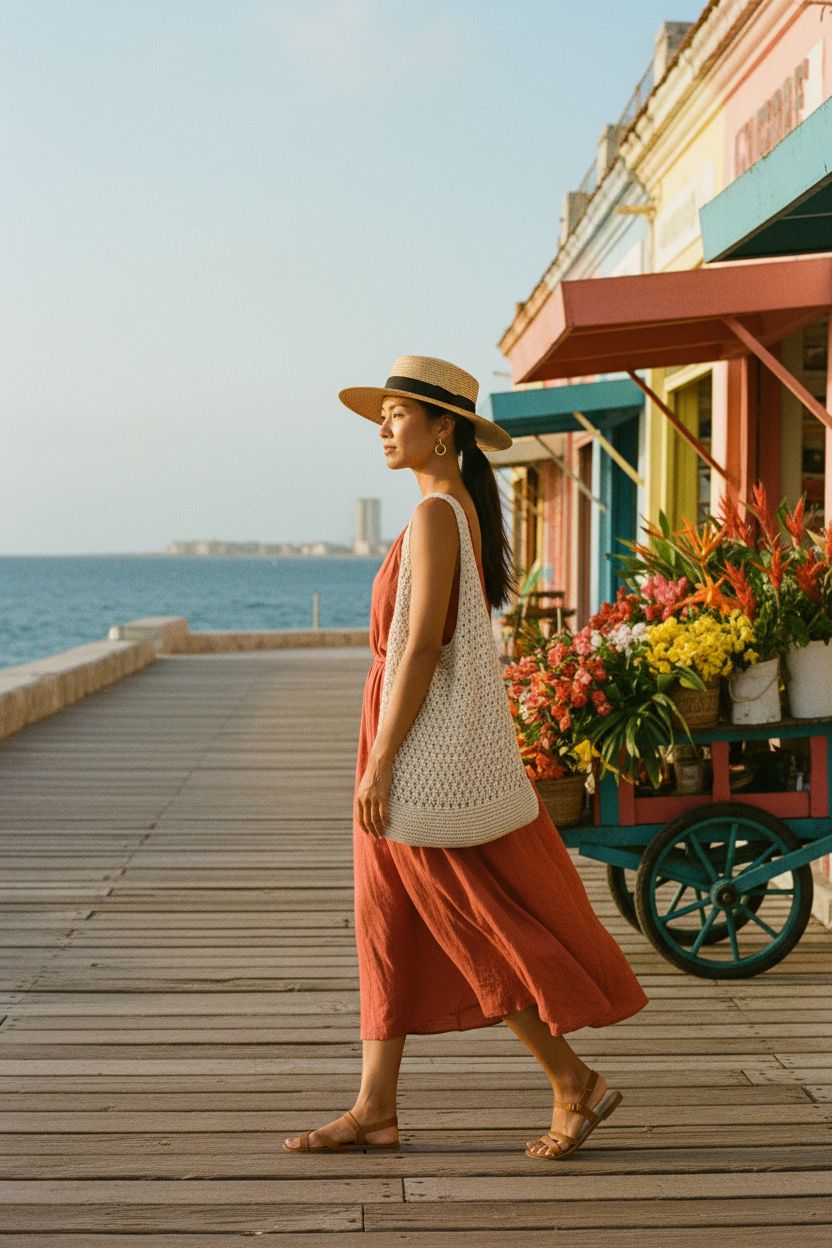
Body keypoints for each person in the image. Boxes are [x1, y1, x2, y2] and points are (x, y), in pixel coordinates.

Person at [283, 356, 649, 1161]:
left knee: (464, 918)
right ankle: (375, 1108)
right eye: (381, 416)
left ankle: (574, 1081)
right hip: (398, 727)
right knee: (386, 916)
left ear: (444, 428)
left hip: (411, 742)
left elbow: (422, 647)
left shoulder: (435, 516)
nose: (384, 428)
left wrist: (381, 761)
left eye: (398, 414)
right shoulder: (450, 511)